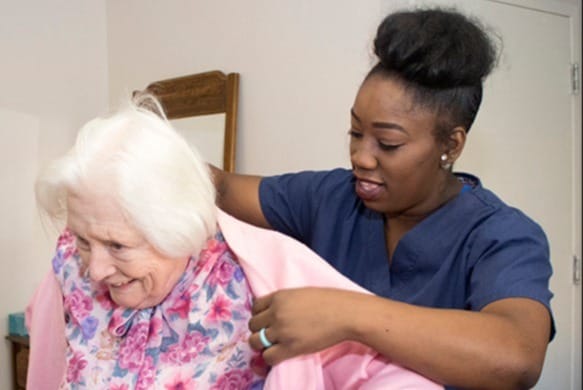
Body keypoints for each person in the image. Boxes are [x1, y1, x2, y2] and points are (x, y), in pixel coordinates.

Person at [211, 7, 554, 390]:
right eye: (356, 132)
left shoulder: (501, 235)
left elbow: (517, 357)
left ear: (451, 145)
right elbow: (221, 189)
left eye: (388, 143)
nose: (361, 157)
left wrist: (345, 313)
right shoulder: (332, 198)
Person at [26, 95, 444, 389]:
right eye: (83, 239)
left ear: (179, 226)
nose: (95, 269)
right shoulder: (70, 260)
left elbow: (389, 373)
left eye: (118, 246)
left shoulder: (259, 275)